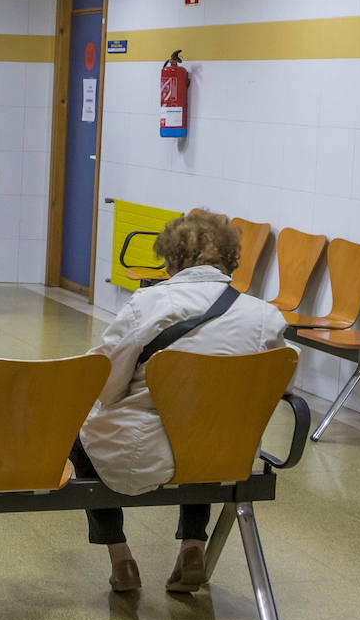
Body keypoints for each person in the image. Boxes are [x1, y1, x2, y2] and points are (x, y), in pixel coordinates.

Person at [72, 210, 286, 593]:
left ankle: (121, 559)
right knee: (204, 426)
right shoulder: (266, 317)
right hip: (223, 456)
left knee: (80, 432)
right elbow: (274, 384)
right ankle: (193, 546)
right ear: (230, 259)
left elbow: (103, 386)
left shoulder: (147, 305)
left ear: (171, 258)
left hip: (139, 454)